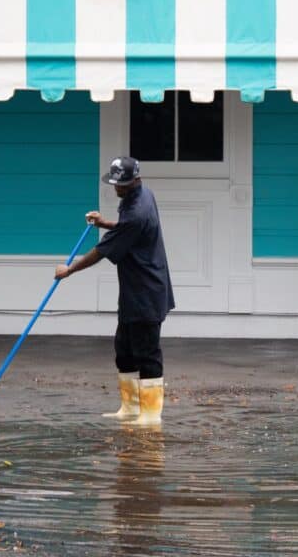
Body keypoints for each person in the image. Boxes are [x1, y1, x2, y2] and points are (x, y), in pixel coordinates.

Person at [55, 156, 175, 426]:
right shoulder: (142, 196)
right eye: (114, 182)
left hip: (147, 291)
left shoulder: (137, 211)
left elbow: (102, 251)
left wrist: (69, 270)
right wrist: (105, 223)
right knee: (124, 349)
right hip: (134, 289)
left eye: (120, 184)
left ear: (135, 180)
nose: (116, 188)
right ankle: (130, 408)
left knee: (147, 352)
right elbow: (128, 232)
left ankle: (151, 414)